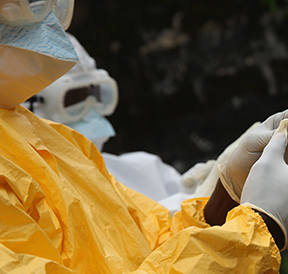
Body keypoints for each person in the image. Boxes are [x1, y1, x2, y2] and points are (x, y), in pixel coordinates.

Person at [0, 0, 288, 272]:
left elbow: (147, 241)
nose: (43, 16)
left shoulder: (44, 134)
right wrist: (259, 228)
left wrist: (227, 197)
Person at [26, 32, 238, 213]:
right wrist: (207, 201)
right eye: (73, 99)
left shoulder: (142, 169)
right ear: (28, 106)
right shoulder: (27, 197)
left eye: (96, 94)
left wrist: (209, 188)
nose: (90, 111)